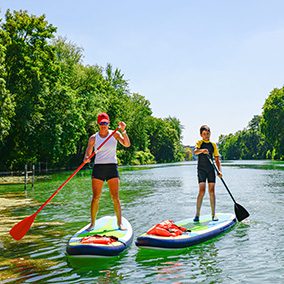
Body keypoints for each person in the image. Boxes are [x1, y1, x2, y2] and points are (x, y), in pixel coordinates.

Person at [83, 112, 131, 230]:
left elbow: (127, 144)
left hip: (111, 167)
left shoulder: (115, 134)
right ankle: (92, 224)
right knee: (95, 197)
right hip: (98, 168)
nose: (103, 125)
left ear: (109, 123)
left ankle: (120, 223)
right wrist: (86, 158)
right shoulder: (93, 138)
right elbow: (88, 152)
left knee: (115, 197)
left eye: (105, 123)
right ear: (98, 124)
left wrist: (124, 131)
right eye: (101, 123)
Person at [193, 125, 222, 222]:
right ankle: (197, 215)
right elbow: (195, 152)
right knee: (202, 191)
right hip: (201, 170)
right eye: (204, 134)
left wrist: (219, 171)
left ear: (210, 134)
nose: (206, 136)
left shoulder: (213, 145)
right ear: (201, 135)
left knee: (212, 191)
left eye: (208, 133)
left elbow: (217, 158)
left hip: (210, 170)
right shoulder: (199, 143)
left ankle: (213, 215)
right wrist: (202, 150)